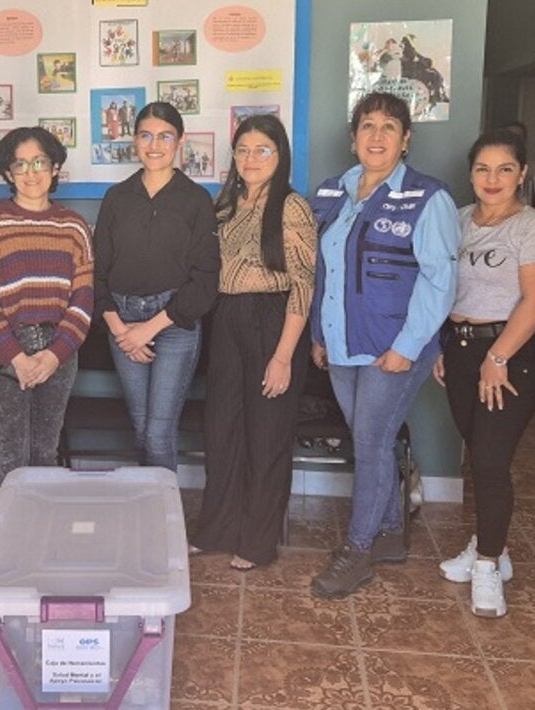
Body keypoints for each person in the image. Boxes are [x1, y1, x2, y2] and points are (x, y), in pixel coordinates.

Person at [305, 92, 460, 598]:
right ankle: (391, 533)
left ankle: (358, 550)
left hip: (393, 347)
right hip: (342, 343)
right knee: (372, 439)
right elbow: (318, 274)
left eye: (389, 127)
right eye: (367, 126)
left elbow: (440, 282)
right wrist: (319, 336)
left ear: (406, 139)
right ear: (353, 138)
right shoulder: (331, 193)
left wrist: (409, 346)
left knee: (369, 442)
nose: (376, 136)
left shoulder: (428, 197)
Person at [432, 129, 535, 617]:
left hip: (511, 356)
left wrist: (499, 356)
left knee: (490, 459)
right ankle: (493, 547)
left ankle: (487, 565)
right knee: (478, 454)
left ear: (522, 174)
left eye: (505, 169)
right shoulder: (459, 220)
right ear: (471, 174)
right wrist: (447, 344)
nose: (493, 179)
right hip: (462, 350)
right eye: (483, 169)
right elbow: (443, 287)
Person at [191, 114, 316, 572]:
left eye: (262, 149)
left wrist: (283, 356)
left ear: (279, 155)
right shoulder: (225, 203)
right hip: (226, 319)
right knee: (221, 429)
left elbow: (303, 284)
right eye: (243, 149)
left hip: (274, 319)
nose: (251, 158)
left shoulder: (292, 206)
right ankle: (216, 530)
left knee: (266, 435)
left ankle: (258, 541)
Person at [93, 102, 219, 471]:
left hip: (173, 324)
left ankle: (164, 523)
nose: (154, 144)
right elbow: (97, 272)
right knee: (141, 426)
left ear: (179, 142)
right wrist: (121, 331)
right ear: (134, 140)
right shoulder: (117, 198)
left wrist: (148, 328)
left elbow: (205, 279)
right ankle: (147, 512)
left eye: (165, 136)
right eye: (146, 135)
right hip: (122, 320)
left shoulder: (195, 199)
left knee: (159, 432)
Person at [0, 126, 93, 479]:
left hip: (59, 351)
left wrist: (53, 356)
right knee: (12, 454)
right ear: (8, 173)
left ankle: (41, 532)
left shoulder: (75, 227)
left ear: (54, 169)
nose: (31, 173)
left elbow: (82, 301)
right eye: (20, 165)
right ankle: (10, 535)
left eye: (39, 162)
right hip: (4, 352)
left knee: (44, 451)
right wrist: (16, 358)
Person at [504, 122, 535, 213]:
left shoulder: (534, 168)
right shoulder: (492, 166)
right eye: (510, 136)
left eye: (518, 136)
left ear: (524, 140)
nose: (514, 139)